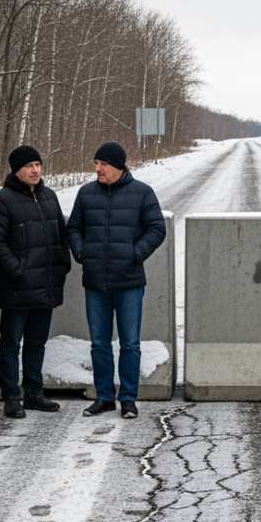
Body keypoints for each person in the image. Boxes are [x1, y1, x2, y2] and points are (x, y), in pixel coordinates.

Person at [67, 142, 165, 419]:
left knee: (130, 344)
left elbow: (157, 228)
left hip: (129, 282)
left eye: (103, 164)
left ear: (118, 166)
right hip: (95, 282)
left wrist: (136, 254)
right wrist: (81, 251)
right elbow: (73, 228)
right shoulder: (86, 194)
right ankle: (104, 397)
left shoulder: (143, 193)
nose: (97, 168)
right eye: (96, 163)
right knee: (99, 343)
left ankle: (129, 399)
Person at [0, 145, 70, 418]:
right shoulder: (1, 200)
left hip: (45, 284)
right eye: (28, 166)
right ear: (16, 170)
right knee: (11, 344)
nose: (35, 170)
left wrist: (62, 262)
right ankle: (11, 397)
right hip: (17, 288)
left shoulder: (49, 196)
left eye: (38, 165)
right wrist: (17, 271)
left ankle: (34, 394)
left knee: (37, 343)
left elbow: (62, 234)